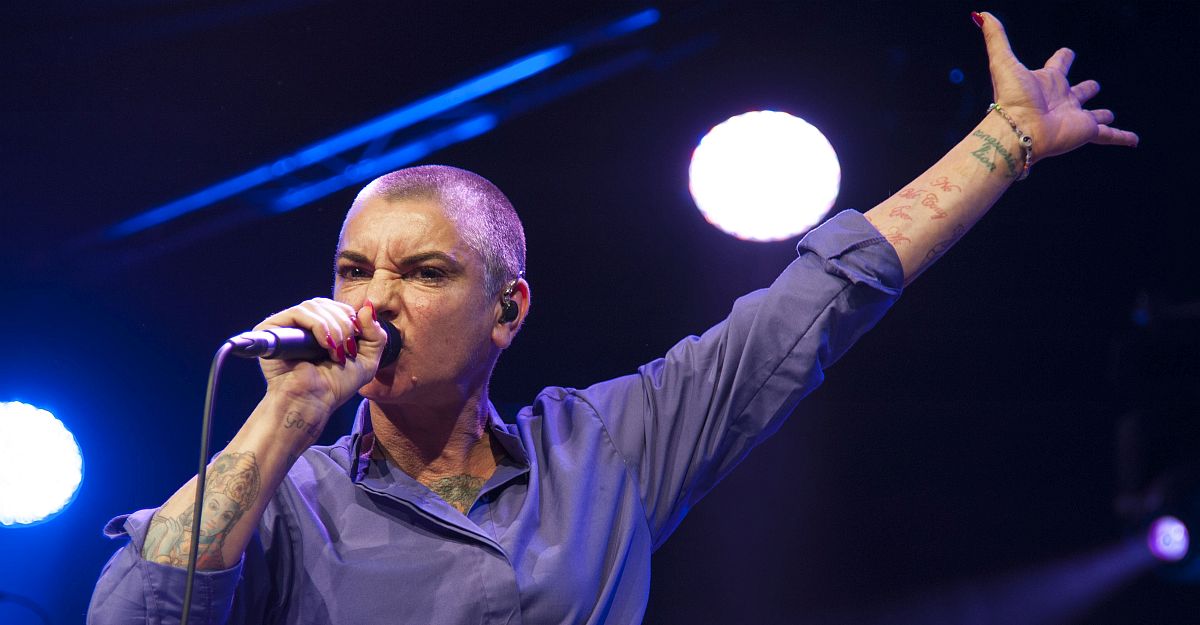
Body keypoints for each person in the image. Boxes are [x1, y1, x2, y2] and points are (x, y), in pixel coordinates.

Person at [88, 12, 1138, 624]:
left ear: (508, 310)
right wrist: (282, 415)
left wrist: (1006, 139)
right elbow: (133, 613)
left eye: (424, 272)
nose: (375, 301)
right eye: (354, 269)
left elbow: (818, 298)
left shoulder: (604, 449)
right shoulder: (287, 497)